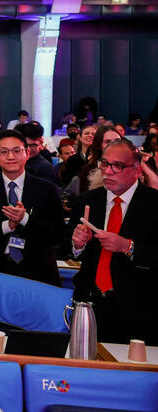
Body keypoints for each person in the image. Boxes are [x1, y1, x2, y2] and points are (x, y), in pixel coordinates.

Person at [69, 140, 158, 344]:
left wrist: (128, 247)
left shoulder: (153, 204)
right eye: (104, 163)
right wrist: (77, 244)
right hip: (91, 303)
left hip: (140, 308)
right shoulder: (87, 201)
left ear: (137, 170)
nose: (108, 171)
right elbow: (68, 246)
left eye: (118, 166)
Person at [0, 130, 64, 286]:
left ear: (27, 153)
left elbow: (58, 234)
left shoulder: (47, 190)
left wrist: (24, 219)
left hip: (37, 271)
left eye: (16, 151)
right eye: (4, 152)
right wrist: (7, 226)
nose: (10, 156)